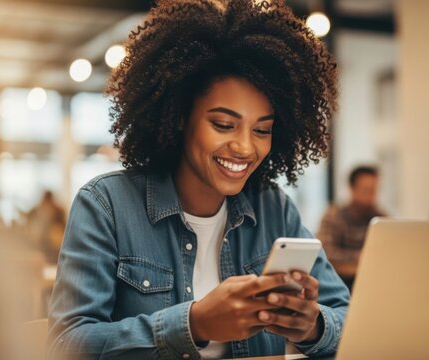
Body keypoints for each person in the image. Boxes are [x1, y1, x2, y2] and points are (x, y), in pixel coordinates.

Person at [47, 1, 350, 359]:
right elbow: (66, 345)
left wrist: (312, 326)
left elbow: (350, 320)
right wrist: (194, 325)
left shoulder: (273, 208)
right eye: (223, 125)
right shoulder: (106, 206)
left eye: (262, 129)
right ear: (178, 116)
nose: (244, 146)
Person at [317, 166, 385, 269]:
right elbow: (325, 252)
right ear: (352, 188)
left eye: (374, 191)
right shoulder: (334, 215)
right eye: (366, 190)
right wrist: (364, 257)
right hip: (340, 279)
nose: (371, 196)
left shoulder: (381, 218)